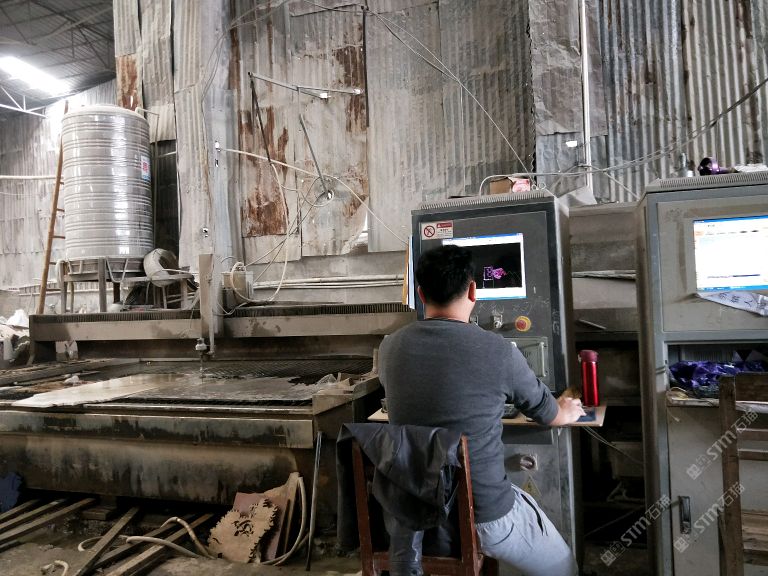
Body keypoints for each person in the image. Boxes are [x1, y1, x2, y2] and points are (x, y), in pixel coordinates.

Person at [379, 244, 584, 576]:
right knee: (564, 567)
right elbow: (549, 415)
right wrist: (568, 409)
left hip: (414, 515)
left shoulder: (389, 348)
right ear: (473, 290)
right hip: (483, 515)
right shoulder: (499, 351)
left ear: (420, 293)